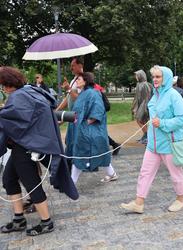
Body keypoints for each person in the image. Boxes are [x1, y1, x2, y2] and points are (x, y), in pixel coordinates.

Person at [0, 66, 78, 236]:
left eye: (2, 85)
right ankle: (19, 219)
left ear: (7, 84)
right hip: (27, 144)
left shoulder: (18, 97)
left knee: (31, 182)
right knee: (9, 179)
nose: (2, 88)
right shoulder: (30, 91)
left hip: (27, 146)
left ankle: (46, 222)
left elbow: (12, 119)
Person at [121, 65, 183, 213]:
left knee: (176, 173)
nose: (155, 79)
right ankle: (139, 203)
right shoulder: (156, 94)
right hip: (153, 144)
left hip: (170, 143)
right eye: (154, 77)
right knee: (145, 172)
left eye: (158, 77)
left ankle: (181, 200)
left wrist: (163, 123)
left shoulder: (173, 95)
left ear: (166, 78)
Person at [65, 72, 118, 184]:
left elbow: (98, 111)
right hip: (83, 129)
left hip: (89, 131)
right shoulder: (84, 93)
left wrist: (85, 124)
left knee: (80, 154)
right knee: (100, 153)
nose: (76, 81)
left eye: (79, 79)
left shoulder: (93, 93)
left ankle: (71, 182)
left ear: (85, 80)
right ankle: (112, 174)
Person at [132, 70, 152, 144]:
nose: (136, 77)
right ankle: (145, 135)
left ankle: (147, 135)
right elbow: (137, 97)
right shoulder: (139, 84)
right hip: (140, 105)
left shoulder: (145, 84)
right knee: (141, 120)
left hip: (144, 105)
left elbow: (147, 97)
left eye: (137, 75)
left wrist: (144, 107)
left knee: (139, 119)